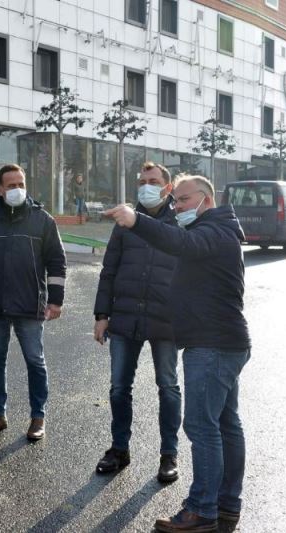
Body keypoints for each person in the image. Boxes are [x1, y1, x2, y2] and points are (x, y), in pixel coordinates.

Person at [108, 175, 251, 532]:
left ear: (206, 198)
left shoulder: (214, 232)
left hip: (213, 344)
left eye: (184, 200)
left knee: (203, 426)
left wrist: (137, 219)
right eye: (176, 201)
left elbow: (180, 244)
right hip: (220, 341)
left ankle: (202, 510)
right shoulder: (219, 230)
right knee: (225, 424)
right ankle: (226, 504)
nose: (178, 207)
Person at [0, 163, 67, 441]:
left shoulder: (42, 220)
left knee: (35, 361)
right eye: (11, 185)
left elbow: (57, 262)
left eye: (21, 184)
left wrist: (55, 300)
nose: (17, 189)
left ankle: (38, 417)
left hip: (31, 305)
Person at [93, 162, 181, 483]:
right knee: (119, 388)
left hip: (166, 319)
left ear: (167, 187)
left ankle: (169, 454)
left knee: (168, 387)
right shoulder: (123, 223)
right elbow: (109, 270)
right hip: (125, 317)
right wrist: (102, 315)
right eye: (142, 181)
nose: (146, 186)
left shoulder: (179, 221)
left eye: (153, 181)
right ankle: (119, 449)